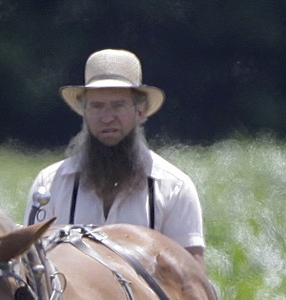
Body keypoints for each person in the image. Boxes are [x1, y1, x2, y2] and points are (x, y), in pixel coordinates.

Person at [25, 48, 205, 261]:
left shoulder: (174, 188)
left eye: (118, 105)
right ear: (84, 111)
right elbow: (32, 267)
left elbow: (190, 282)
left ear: (141, 110)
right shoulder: (50, 185)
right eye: (97, 106)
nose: (107, 117)